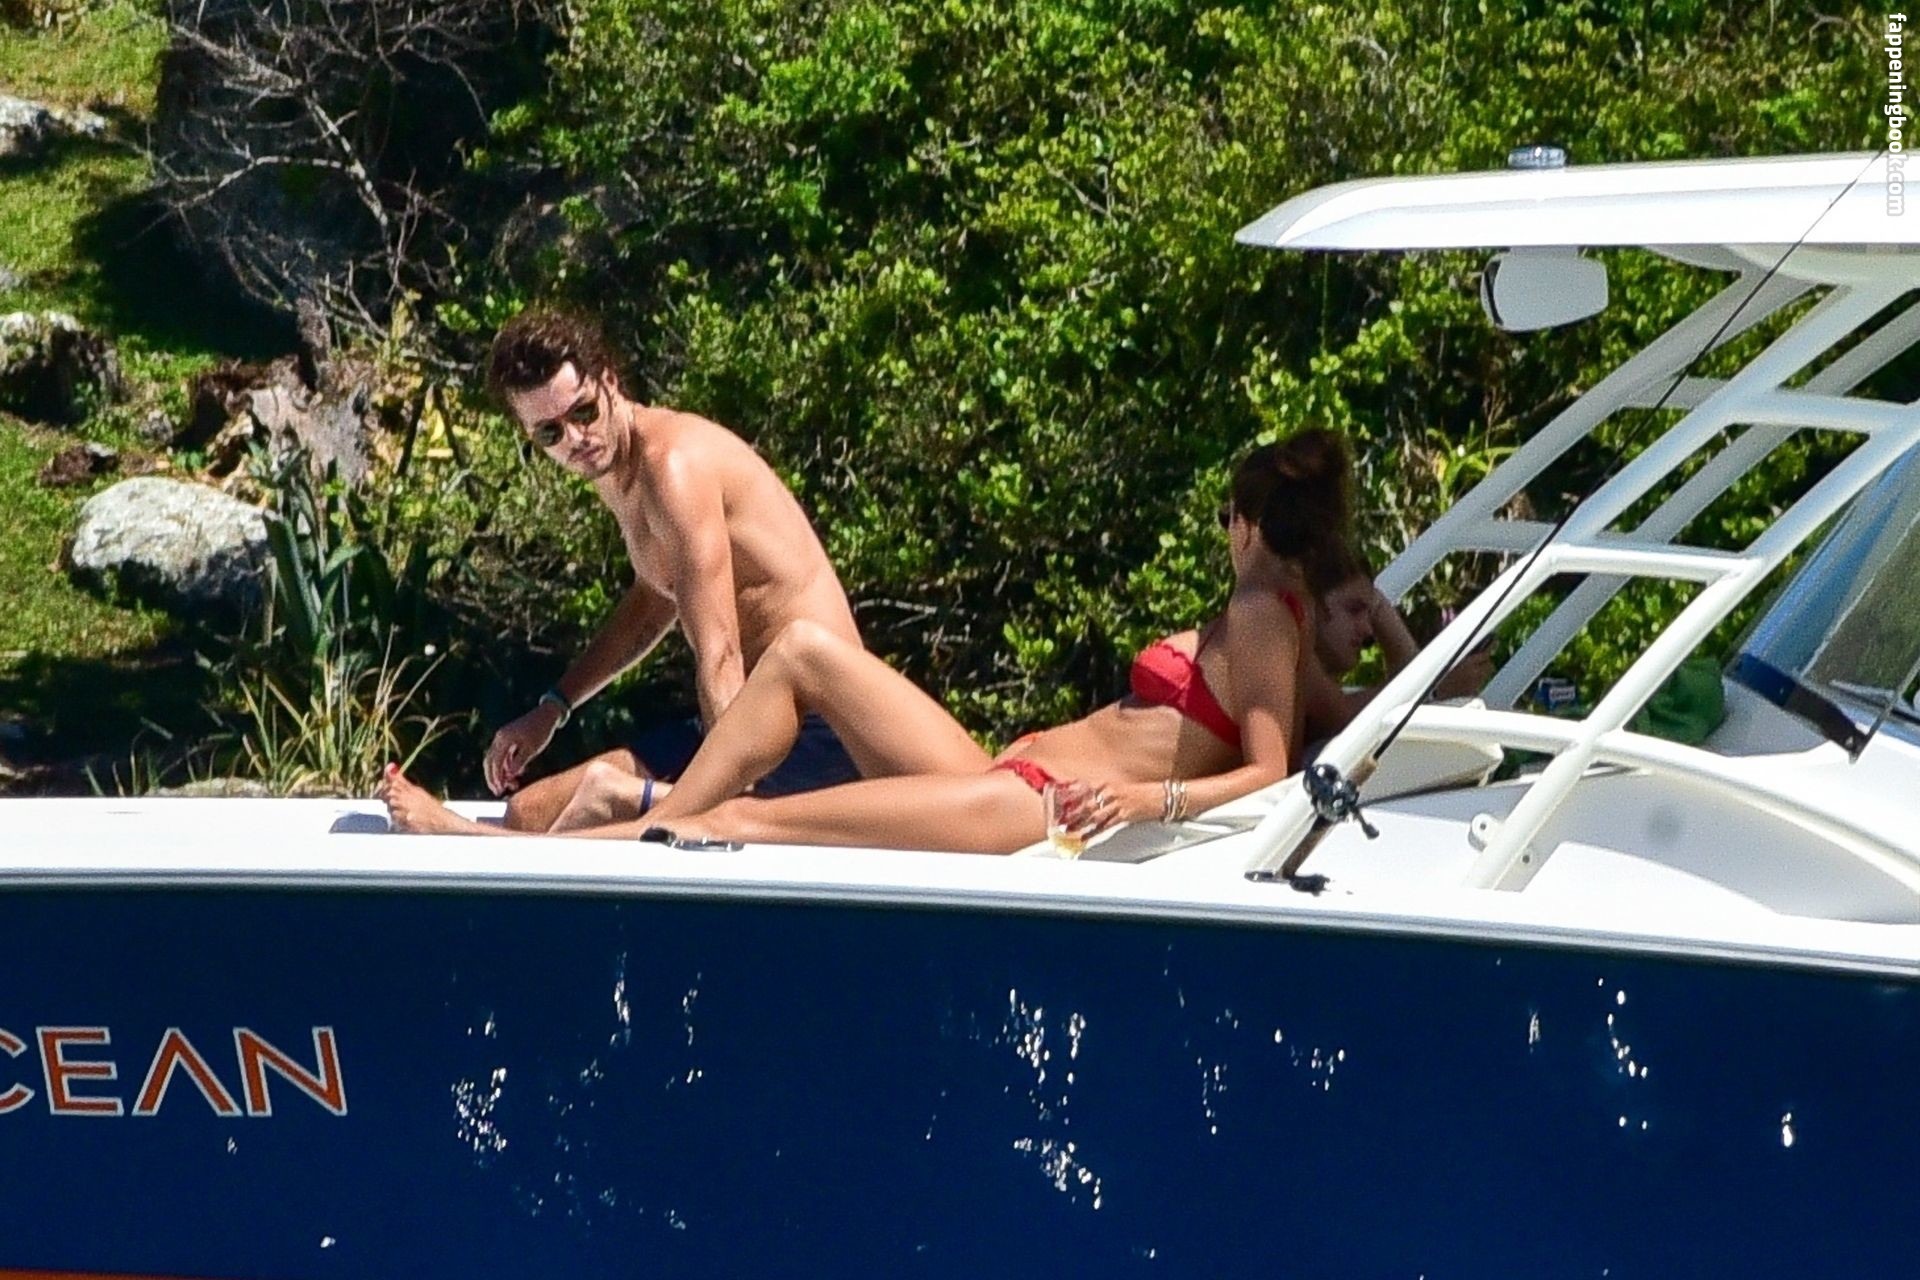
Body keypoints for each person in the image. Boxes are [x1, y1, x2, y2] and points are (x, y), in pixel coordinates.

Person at [381, 428, 1357, 853]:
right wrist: (1392, 623)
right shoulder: (1286, 619)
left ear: (1243, 522)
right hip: (1001, 771)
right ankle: (649, 809)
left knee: (739, 826)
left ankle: (516, 837)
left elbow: (1270, 770)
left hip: (1029, 807)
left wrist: (1152, 798)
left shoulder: (1260, 615)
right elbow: (1347, 720)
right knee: (803, 648)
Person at [472, 307, 866, 833]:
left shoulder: (672, 466)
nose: (575, 438)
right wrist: (552, 709)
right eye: (550, 433)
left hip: (821, 726)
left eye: (583, 412)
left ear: (609, 382)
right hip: (749, 715)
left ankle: (659, 800)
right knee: (530, 813)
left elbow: (720, 652)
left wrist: (727, 808)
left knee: (591, 819)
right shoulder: (619, 470)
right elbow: (656, 597)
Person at [1302, 542, 1494, 736]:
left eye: (1369, 616)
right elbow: (1340, 716)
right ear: (1311, 605)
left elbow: (1407, 672)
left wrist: (1378, 605)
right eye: (1354, 610)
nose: (1368, 630)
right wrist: (1433, 690)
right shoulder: (1295, 671)